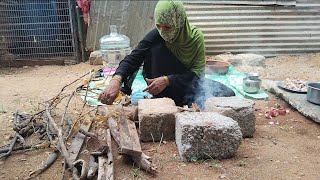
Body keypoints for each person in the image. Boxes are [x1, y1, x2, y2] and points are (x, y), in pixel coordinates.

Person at [98, 0, 234, 106]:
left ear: (180, 22)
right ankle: (168, 99)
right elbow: (133, 58)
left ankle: (179, 99)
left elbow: (197, 75)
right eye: (159, 26)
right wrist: (116, 80)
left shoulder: (195, 38)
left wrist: (168, 80)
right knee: (155, 49)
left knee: (228, 93)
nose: (163, 31)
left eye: (168, 27)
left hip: (182, 82)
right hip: (157, 86)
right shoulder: (156, 35)